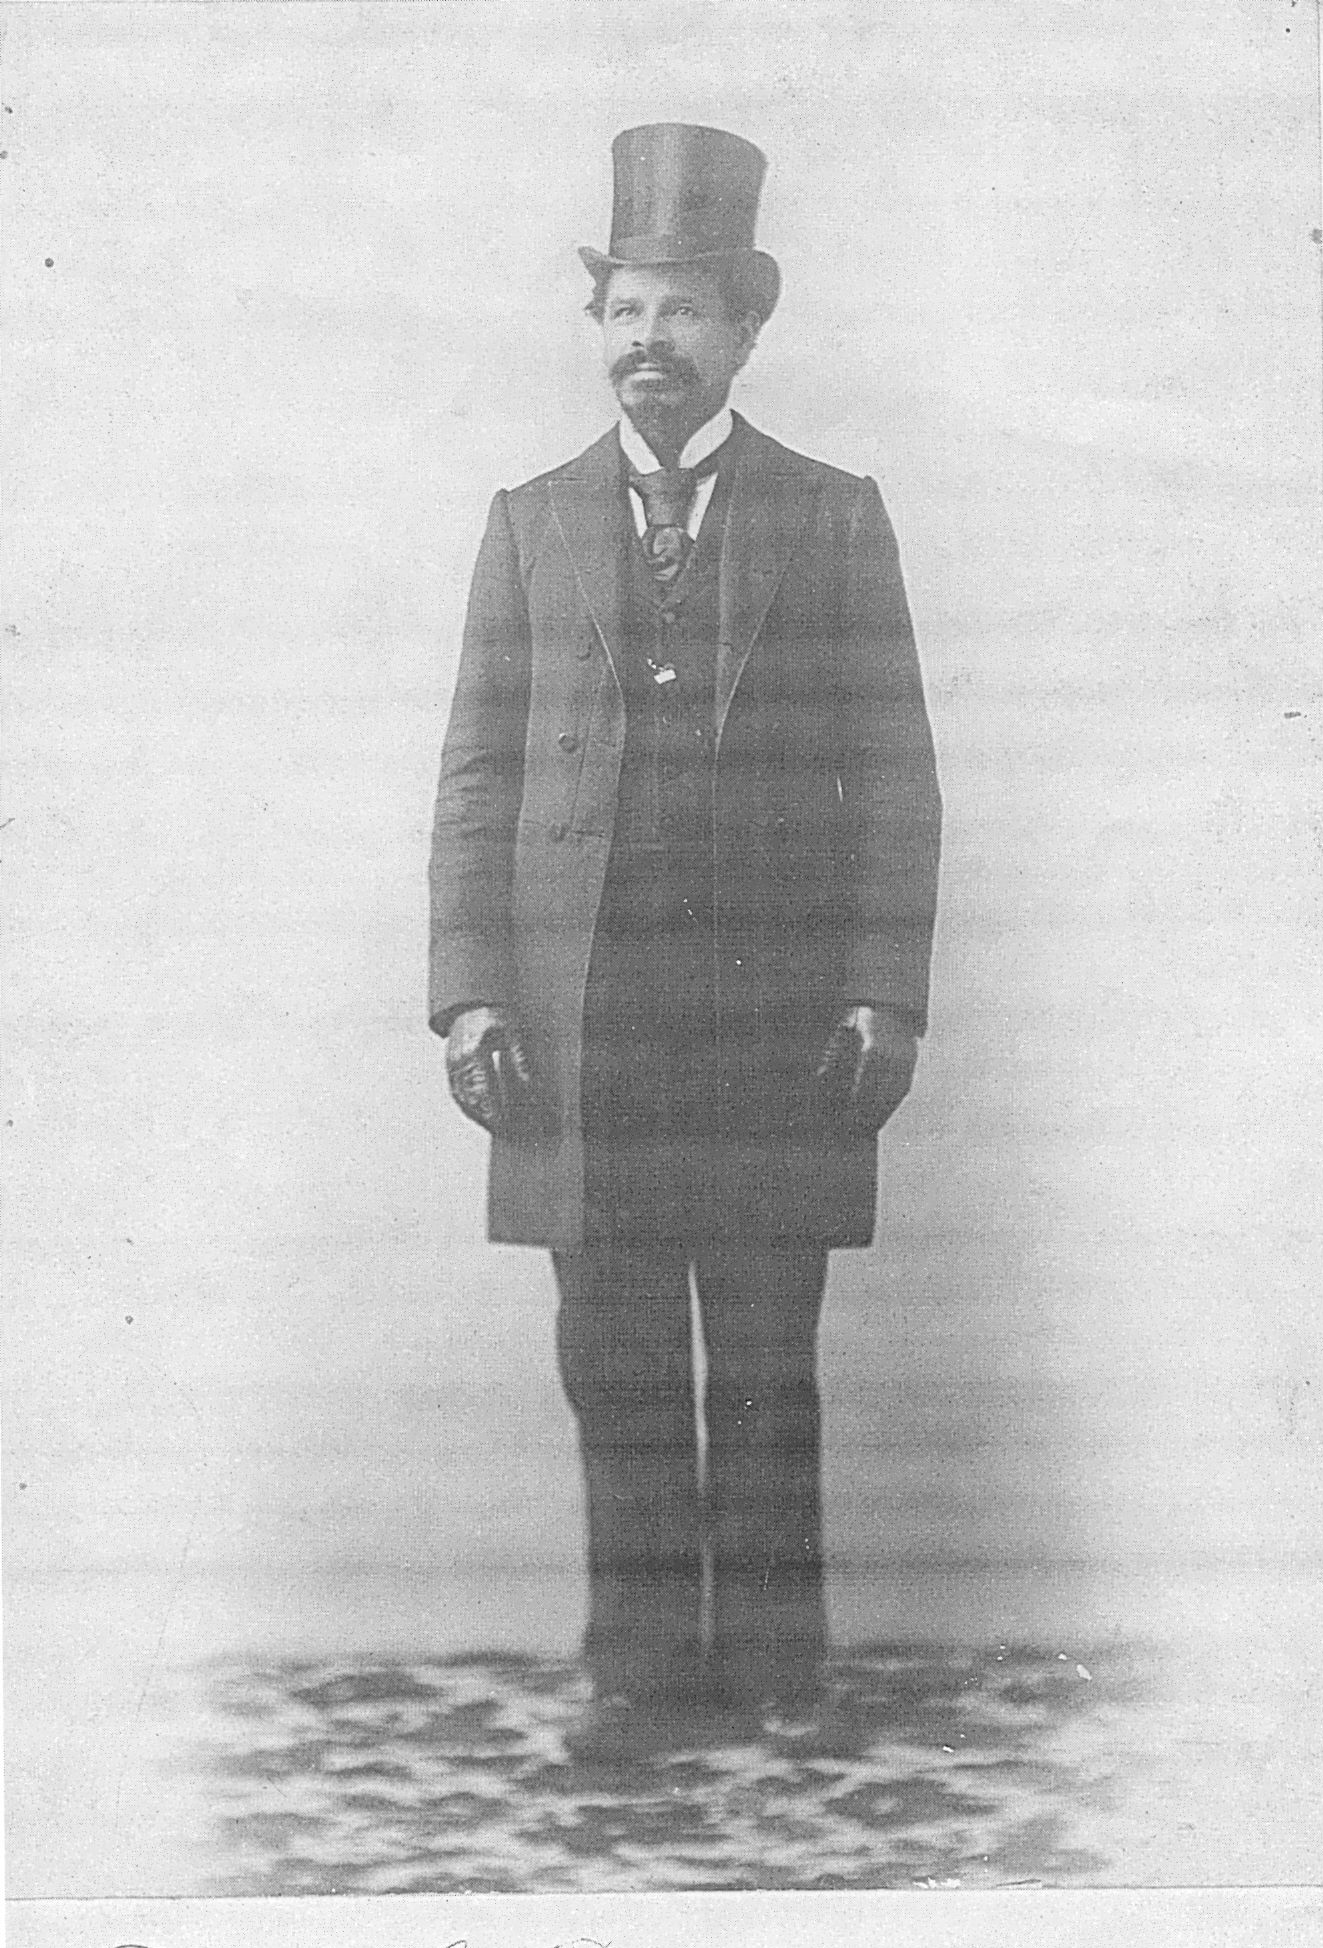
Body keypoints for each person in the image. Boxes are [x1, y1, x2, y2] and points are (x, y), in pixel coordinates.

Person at [428, 124, 941, 1753]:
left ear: (745, 329)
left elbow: (900, 775)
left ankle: (782, 1671)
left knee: (771, 1358)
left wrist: (882, 990)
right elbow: (473, 777)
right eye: (627, 312)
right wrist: (466, 998)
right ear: (600, 327)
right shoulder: (528, 521)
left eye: (684, 314)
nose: (651, 342)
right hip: (588, 1018)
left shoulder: (835, 515)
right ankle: (642, 1673)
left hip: (777, 1015)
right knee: (618, 1357)